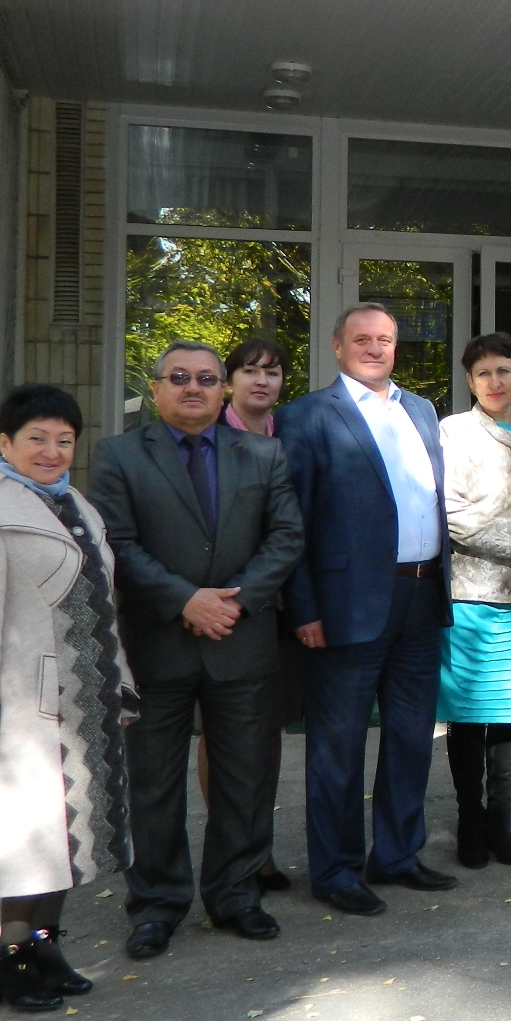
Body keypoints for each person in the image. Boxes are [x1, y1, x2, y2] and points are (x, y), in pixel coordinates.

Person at [88, 342, 304, 958]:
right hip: (157, 645)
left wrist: (236, 601)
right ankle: (156, 905)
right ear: (156, 387)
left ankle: (236, 895)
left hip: (241, 639)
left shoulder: (263, 453)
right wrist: (186, 601)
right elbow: (116, 543)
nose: (193, 388)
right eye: (179, 377)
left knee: (245, 779)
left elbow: (287, 535)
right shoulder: (118, 455)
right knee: (153, 784)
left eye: (206, 379)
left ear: (222, 390)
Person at [0, 385, 135, 1011]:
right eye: (36, 439)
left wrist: (121, 683)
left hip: (86, 699)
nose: (51, 451)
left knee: (69, 838)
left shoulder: (75, 504)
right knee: (29, 836)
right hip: (26, 704)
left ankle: (44, 947)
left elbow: (102, 605)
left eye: (64, 440)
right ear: (6, 443)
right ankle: (8, 957)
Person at [277, 303, 457, 914]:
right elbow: (293, 521)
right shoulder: (306, 416)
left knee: (411, 737)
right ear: (337, 345)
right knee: (339, 744)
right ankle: (335, 870)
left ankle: (398, 854)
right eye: (362, 339)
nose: (375, 348)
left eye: (385, 339)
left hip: (422, 595)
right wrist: (303, 607)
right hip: (345, 604)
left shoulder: (421, 410)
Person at [437, 332, 511, 870]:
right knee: (468, 713)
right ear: (470, 380)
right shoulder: (453, 432)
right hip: (471, 593)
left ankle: (500, 819)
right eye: (483, 373)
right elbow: (450, 509)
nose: (495, 381)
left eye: (504, 370)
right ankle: (470, 818)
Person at [217, 335, 299, 893]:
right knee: (222, 736)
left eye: (271, 371)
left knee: (267, 733)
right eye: (249, 371)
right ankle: (229, 855)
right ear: (230, 382)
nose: (261, 380)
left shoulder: (291, 433)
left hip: (284, 610)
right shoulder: (208, 436)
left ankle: (258, 850)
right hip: (223, 608)